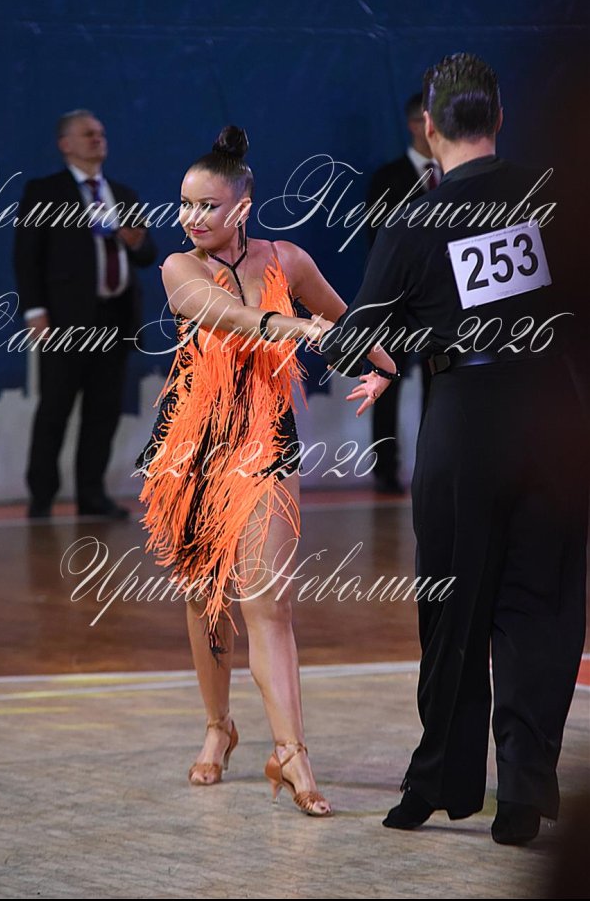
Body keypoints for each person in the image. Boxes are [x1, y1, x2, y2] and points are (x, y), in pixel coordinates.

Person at [318, 53, 589, 844]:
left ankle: (439, 778)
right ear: (500, 118)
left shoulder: (415, 217)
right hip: (551, 416)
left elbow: (354, 338)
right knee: (542, 605)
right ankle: (524, 793)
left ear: (430, 127)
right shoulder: (554, 194)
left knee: (452, 604)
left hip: (463, 420)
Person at [134, 125, 396, 816]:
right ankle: (219, 726)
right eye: (185, 204)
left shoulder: (288, 259)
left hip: (266, 443)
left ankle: (293, 752)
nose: (192, 217)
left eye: (207, 205)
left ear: (242, 208)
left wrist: (384, 366)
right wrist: (293, 327)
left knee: (270, 604)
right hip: (193, 448)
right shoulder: (179, 269)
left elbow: (346, 322)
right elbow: (229, 317)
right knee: (206, 597)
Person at [14, 109, 158, 519]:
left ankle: (91, 494)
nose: (97, 138)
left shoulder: (122, 193)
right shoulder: (45, 192)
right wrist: (35, 311)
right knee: (55, 408)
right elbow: (27, 257)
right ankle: (42, 496)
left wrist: (136, 242)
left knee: (103, 410)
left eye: (101, 133)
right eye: (88, 133)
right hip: (64, 320)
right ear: (65, 144)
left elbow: (148, 254)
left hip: (115, 318)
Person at [364, 93, 441, 492]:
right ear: (417, 125)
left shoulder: (455, 176)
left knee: (440, 385)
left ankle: (435, 466)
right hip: (396, 304)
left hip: (441, 306)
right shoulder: (387, 178)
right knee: (386, 381)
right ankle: (385, 469)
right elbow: (378, 243)